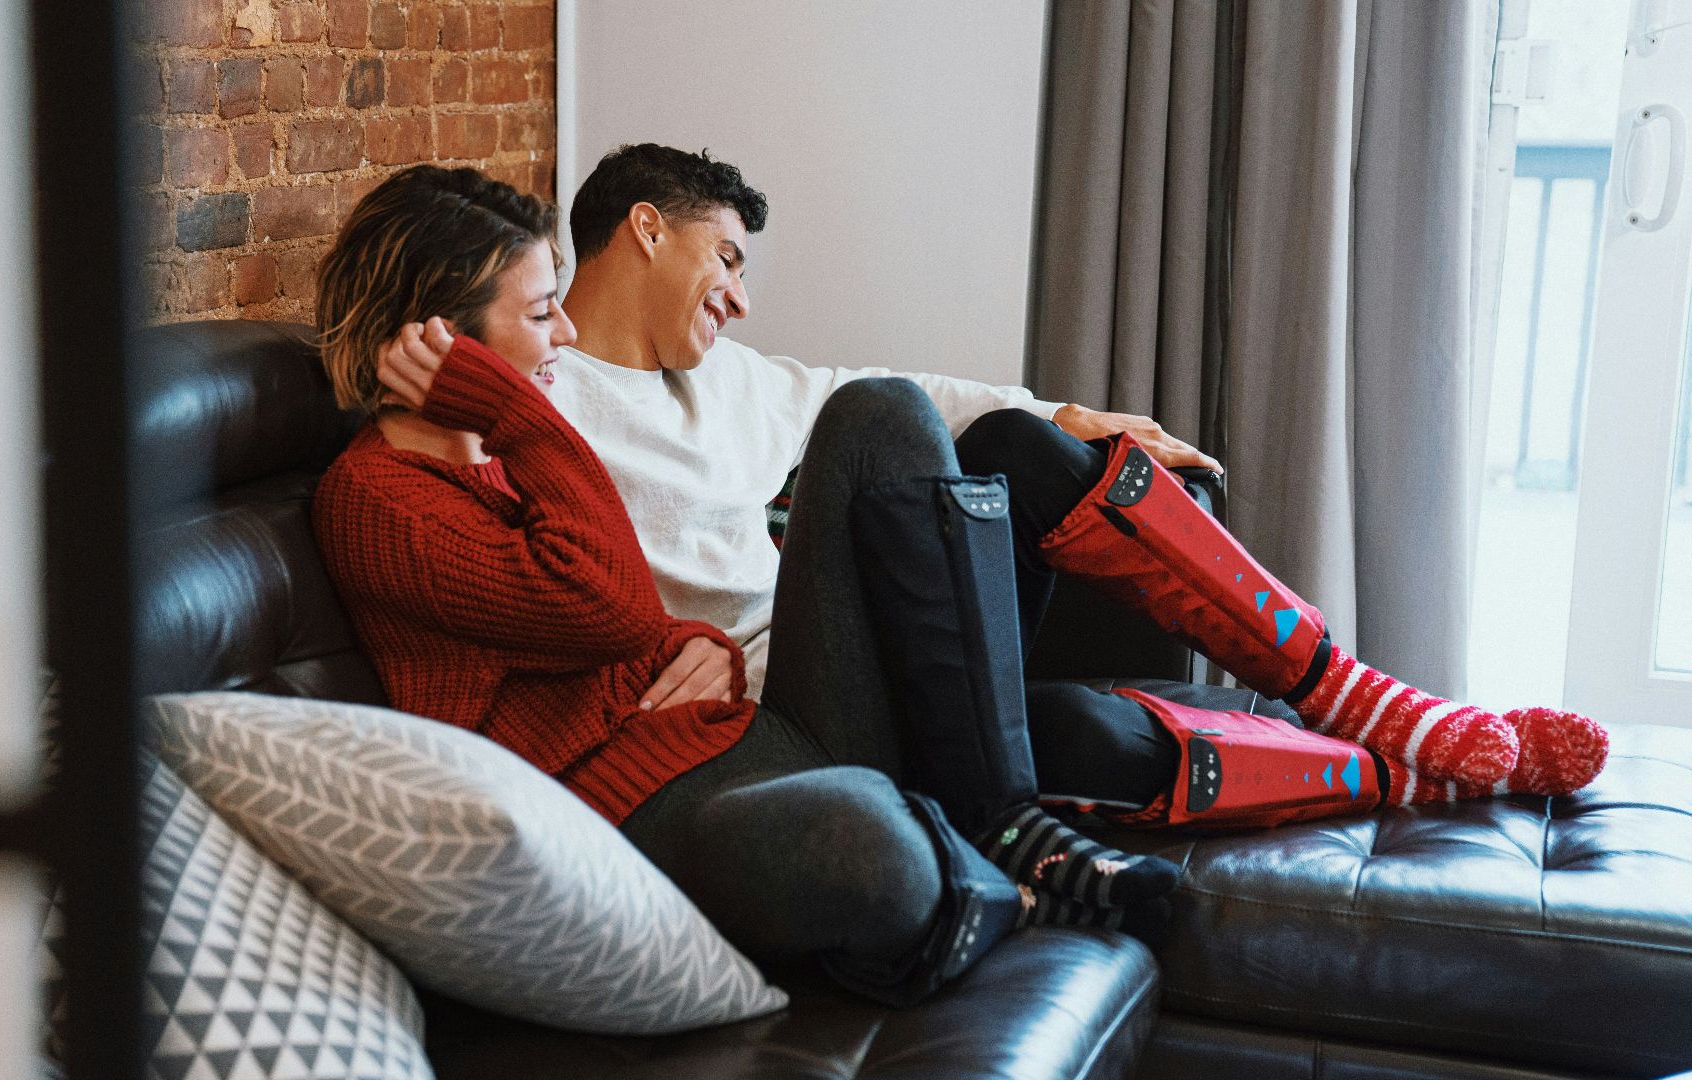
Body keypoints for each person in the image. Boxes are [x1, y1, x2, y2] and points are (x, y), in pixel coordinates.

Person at [373, 144, 1609, 815]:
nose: (739, 294)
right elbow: (552, 591)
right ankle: (1389, 755)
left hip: (888, 669)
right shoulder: (536, 399)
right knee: (1084, 735)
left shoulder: (741, 381)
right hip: (781, 705)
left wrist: (1073, 413)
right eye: (725, 256)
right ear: (645, 227)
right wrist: (669, 654)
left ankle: (1362, 712)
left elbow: (920, 398)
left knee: (1000, 440)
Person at [310, 165, 1183, 1010]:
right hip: (624, 811)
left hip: (747, 731)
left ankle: (997, 826)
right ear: (444, 340)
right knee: (869, 848)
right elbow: (605, 604)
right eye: (542, 313)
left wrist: (705, 645)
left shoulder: (501, 456)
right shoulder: (383, 502)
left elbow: (636, 621)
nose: (566, 335)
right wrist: (517, 411)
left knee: (883, 415)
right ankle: (977, 864)